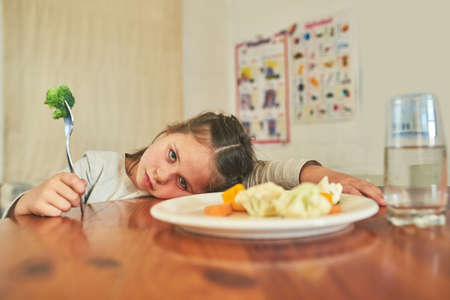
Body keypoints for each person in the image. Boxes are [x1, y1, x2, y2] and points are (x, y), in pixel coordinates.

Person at [4, 112, 384, 218]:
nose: (163, 175)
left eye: (183, 184)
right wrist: (27, 201)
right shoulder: (93, 168)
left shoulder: (210, 189)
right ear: (168, 131)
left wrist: (324, 177)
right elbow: (24, 214)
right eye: (172, 155)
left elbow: (264, 174)